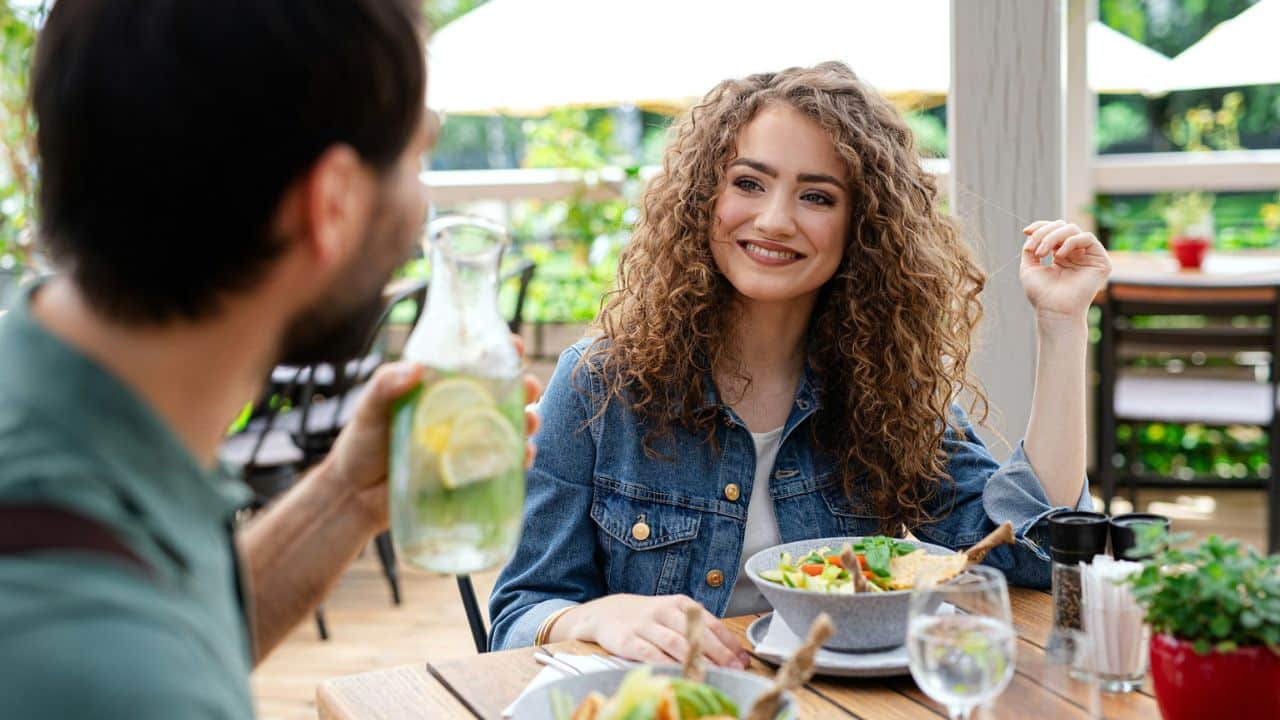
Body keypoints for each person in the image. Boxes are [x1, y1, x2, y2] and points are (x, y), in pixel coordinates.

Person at [0, 1, 538, 717]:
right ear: (334, 204)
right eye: (418, 155)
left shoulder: (60, 428)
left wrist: (345, 497)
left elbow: (177, 627)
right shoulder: (111, 676)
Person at [488, 61, 1111, 668]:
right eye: (749, 183)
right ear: (706, 196)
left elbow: (1035, 551)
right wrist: (600, 616)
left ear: (862, 227)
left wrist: (1061, 328)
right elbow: (518, 619)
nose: (774, 220)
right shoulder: (601, 383)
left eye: (816, 195)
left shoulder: (882, 388)